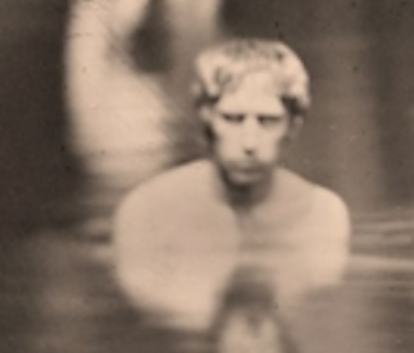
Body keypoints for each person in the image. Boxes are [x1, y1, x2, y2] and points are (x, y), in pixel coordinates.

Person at [112, 38, 353, 332]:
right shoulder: (147, 212)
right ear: (207, 119)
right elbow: (155, 307)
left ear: (293, 127)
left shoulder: (324, 214)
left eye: (267, 121)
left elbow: (315, 304)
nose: (249, 143)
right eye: (233, 118)